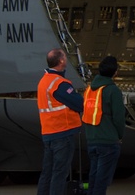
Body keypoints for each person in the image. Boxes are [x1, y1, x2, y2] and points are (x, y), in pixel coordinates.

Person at [36, 48, 83, 195]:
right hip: (62, 133)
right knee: (59, 173)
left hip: (49, 133)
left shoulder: (44, 81)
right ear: (61, 61)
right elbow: (78, 103)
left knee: (47, 173)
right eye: (65, 57)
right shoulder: (59, 84)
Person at [82, 56, 126, 195]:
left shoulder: (89, 90)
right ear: (115, 73)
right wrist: (119, 136)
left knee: (93, 178)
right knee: (102, 180)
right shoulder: (113, 91)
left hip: (92, 140)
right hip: (108, 141)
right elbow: (119, 118)